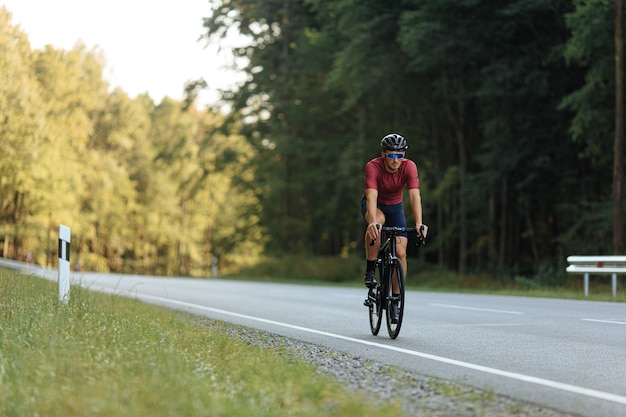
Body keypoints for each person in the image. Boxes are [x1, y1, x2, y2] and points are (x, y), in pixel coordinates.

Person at [361, 133, 428, 322]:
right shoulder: (373, 166)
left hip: (396, 208)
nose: (396, 160)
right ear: (383, 155)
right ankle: (370, 269)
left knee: (401, 252)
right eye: (391, 155)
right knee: (377, 224)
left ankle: (395, 301)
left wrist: (418, 223)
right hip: (376, 206)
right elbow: (371, 196)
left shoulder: (410, 166)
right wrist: (372, 221)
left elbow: (415, 196)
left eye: (400, 155)